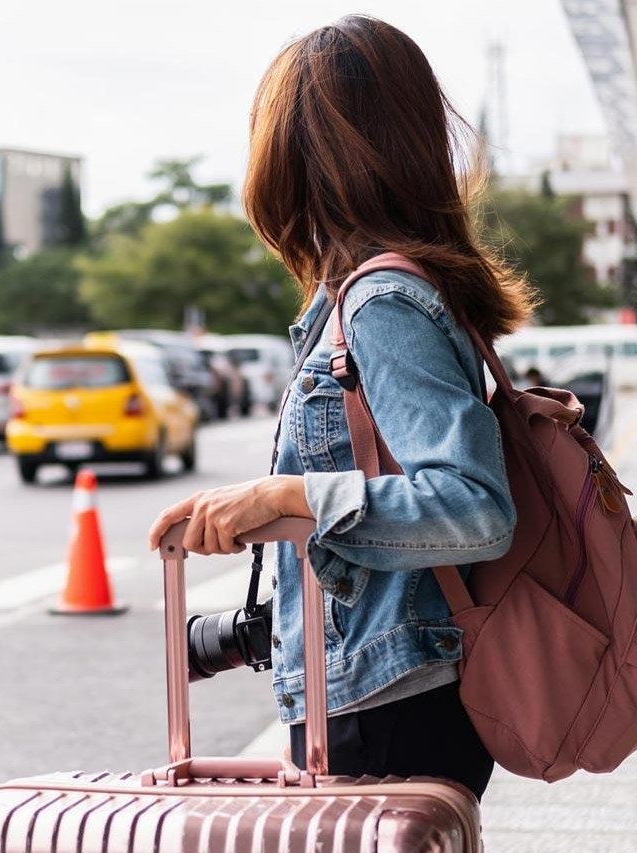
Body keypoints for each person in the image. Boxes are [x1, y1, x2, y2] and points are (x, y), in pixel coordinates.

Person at [149, 15, 537, 801]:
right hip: (384, 690)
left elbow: (473, 507)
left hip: (389, 699)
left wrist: (289, 496)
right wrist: (257, 505)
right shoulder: (369, 295)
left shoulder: (383, 301)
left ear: (301, 154)